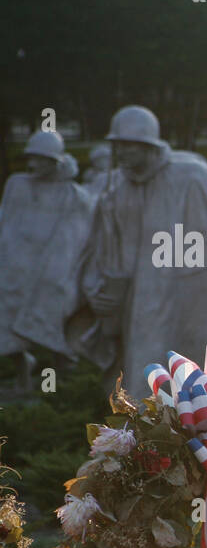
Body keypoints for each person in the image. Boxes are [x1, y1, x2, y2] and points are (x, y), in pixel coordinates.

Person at [77, 105, 207, 399]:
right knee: (147, 380)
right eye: (117, 145)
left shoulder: (193, 176)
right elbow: (106, 252)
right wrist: (99, 290)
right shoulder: (119, 192)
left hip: (205, 297)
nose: (120, 152)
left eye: (128, 145)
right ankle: (149, 442)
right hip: (148, 304)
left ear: (148, 145)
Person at [0, 131, 95, 390]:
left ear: (55, 161)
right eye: (32, 158)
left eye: (41, 159)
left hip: (53, 272)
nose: (34, 165)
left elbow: (78, 237)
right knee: (5, 324)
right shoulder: (17, 185)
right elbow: (7, 223)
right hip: (16, 268)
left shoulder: (74, 195)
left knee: (53, 322)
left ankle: (64, 382)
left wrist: (59, 271)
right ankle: (23, 375)